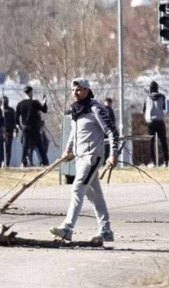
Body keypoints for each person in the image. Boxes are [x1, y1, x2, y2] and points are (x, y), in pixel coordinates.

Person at [50, 77, 119, 243]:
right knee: (95, 196)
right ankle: (106, 231)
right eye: (73, 90)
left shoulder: (95, 108)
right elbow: (74, 135)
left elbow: (112, 131)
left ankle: (67, 228)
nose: (75, 93)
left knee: (77, 188)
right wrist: (67, 151)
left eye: (79, 89)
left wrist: (113, 154)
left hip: (92, 156)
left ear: (87, 90)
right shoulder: (76, 110)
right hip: (80, 157)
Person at [15, 85, 49, 166]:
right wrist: (44, 102)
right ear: (30, 92)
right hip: (34, 127)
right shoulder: (35, 103)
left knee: (25, 145)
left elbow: (16, 116)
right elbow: (44, 110)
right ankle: (45, 161)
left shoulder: (20, 104)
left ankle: (23, 162)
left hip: (25, 127)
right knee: (39, 144)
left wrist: (18, 125)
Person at [143, 81, 168, 167]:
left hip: (151, 122)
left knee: (151, 142)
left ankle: (152, 162)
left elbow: (144, 109)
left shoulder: (147, 98)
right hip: (160, 121)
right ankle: (166, 161)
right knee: (163, 142)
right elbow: (165, 108)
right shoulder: (162, 97)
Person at [1, 96, 18, 168]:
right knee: (2, 148)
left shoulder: (11, 111)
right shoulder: (0, 111)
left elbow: (15, 121)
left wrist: (15, 130)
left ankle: (6, 163)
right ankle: (2, 162)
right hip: (1, 131)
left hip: (9, 131)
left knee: (7, 148)